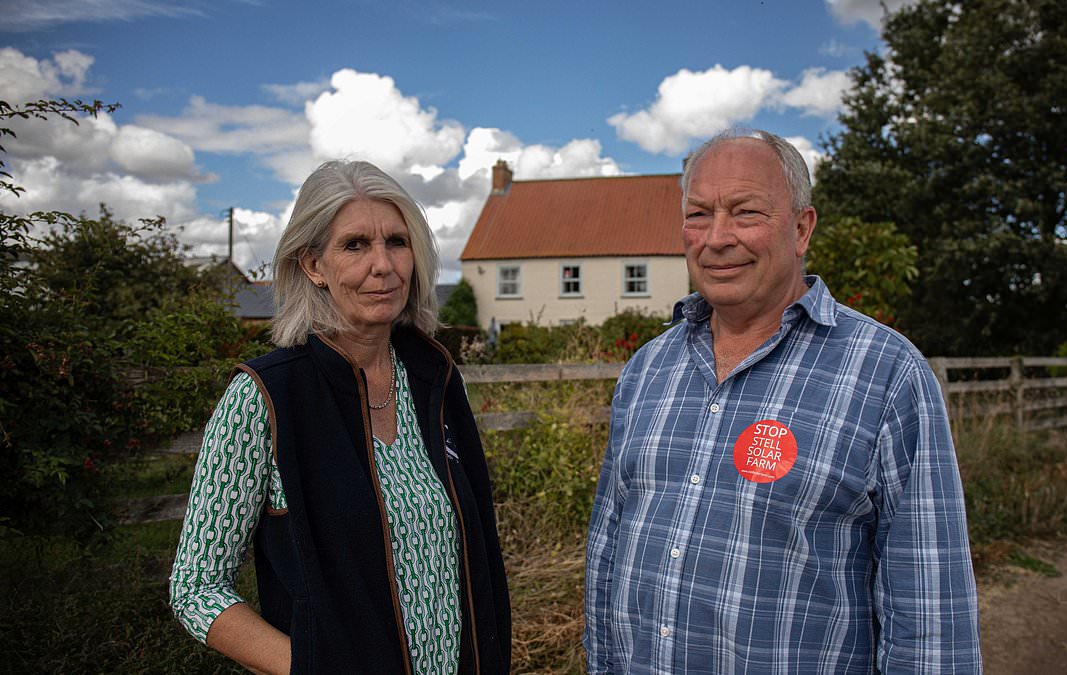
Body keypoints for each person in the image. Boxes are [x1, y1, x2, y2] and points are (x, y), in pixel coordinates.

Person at [584, 129, 981, 673]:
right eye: (698, 214)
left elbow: (930, 611)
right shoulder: (647, 369)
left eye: (745, 212)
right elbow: (608, 549)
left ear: (801, 228)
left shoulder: (886, 375)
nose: (717, 237)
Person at [170, 160, 510, 674]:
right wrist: (309, 666)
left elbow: (479, 556)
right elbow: (195, 586)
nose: (384, 265)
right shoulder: (265, 398)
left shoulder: (436, 380)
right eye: (355, 245)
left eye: (397, 241)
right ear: (313, 265)